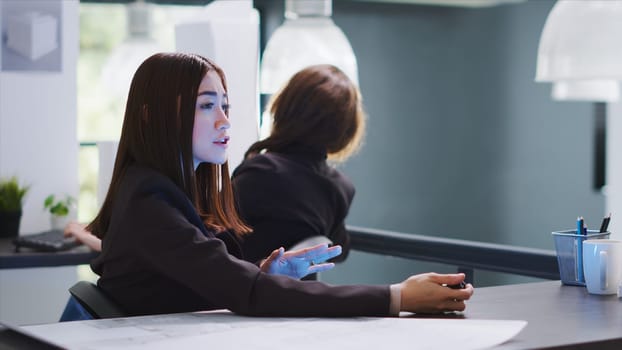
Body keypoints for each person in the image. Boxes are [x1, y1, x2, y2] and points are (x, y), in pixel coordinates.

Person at [84, 52, 472, 317]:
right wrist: (397, 296)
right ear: (152, 117)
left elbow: (208, 279)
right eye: (206, 105)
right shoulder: (151, 201)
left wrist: (262, 274)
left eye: (226, 105)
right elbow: (243, 291)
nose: (224, 120)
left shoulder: (162, 191)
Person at [232, 64, 364, 264]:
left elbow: (213, 237)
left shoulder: (259, 171)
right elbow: (339, 249)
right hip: (296, 294)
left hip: (237, 290)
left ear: (285, 107)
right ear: (346, 128)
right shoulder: (341, 188)